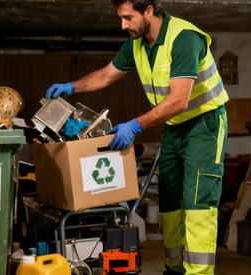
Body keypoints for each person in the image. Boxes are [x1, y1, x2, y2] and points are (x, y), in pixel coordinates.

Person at [44, 0, 228, 273]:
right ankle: (174, 268)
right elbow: (106, 75)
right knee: (169, 202)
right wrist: (72, 86)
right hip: (174, 128)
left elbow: (179, 101)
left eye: (128, 18)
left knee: (197, 202)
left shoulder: (184, 39)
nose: (123, 25)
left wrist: (135, 125)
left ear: (149, 10)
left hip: (204, 126)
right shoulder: (138, 44)